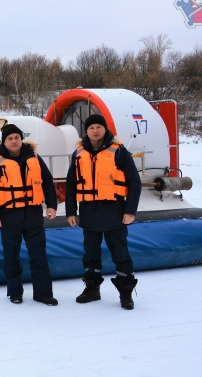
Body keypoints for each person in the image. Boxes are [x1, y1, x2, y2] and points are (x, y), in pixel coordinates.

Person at [65, 114, 142, 310]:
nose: (95, 131)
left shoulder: (119, 151)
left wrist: (130, 210)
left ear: (105, 129)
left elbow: (134, 182)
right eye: (91, 128)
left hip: (114, 210)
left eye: (99, 127)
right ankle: (92, 289)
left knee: (120, 253)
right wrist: (70, 211)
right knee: (90, 253)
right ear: (87, 131)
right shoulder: (79, 154)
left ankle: (126, 293)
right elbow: (72, 185)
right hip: (89, 211)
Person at [0, 124, 59, 306]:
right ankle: (15, 292)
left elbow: (47, 181)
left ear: (21, 139)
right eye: (10, 138)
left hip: (33, 214)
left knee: (39, 256)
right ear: (4, 141)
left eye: (17, 137)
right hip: (8, 215)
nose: (14, 141)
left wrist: (52, 205)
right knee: (11, 256)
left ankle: (43, 293)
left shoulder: (35, 158)